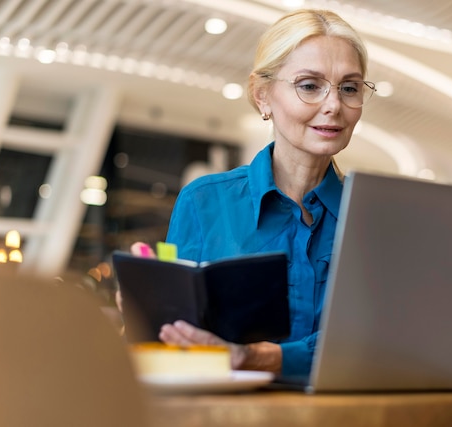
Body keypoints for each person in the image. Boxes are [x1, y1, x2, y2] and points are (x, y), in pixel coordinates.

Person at [133, 8, 375, 377]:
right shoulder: (204, 202)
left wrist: (260, 357)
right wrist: (147, 314)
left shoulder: (373, 221)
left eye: (349, 88)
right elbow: (176, 347)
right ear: (263, 96)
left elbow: (376, 347)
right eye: (310, 86)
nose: (334, 106)